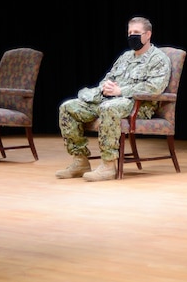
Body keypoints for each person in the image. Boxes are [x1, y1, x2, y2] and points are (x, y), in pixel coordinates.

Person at [55, 16, 171, 182]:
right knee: (68, 107)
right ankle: (80, 161)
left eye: (136, 32)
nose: (132, 36)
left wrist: (121, 90)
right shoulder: (125, 57)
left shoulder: (158, 59)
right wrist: (106, 87)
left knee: (108, 109)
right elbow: (109, 77)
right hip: (110, 100)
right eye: (130, 32)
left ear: (148, 35)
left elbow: (155, 87)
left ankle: (108, 166)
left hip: (138, 105)